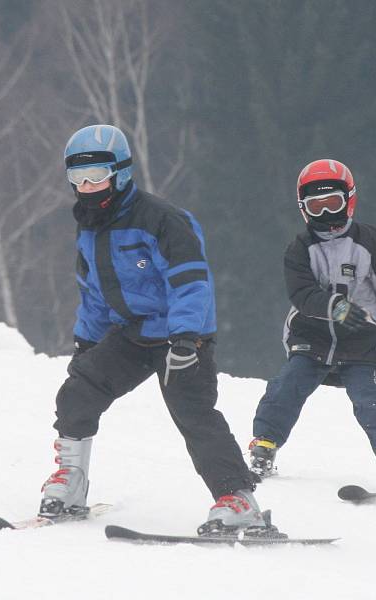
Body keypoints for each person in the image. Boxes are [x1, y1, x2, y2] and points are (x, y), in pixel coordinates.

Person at [39, 124, 276, 536]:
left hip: (181, 336)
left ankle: (238, 500)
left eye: (96, 177)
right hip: (131, 334)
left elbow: (190, 281)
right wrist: (87, 342)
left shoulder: (162, 220)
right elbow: (92, 291)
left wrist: (186, 337)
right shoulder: (90, 229)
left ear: (121, 173)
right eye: (77, 178)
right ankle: (71, 483)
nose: (87, 187)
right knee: (79, 390)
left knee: (192, 410)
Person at [249, 159, 376, 493]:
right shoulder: (300, 250)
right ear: (304, 209)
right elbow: (302, 293)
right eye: (317, 206)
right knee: (288, 384)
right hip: (312, 335)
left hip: (362, 339)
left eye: (334, 203)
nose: (327, 213)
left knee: (368, 399)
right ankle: (264, 444)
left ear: (350, 200)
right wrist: (335, 307)